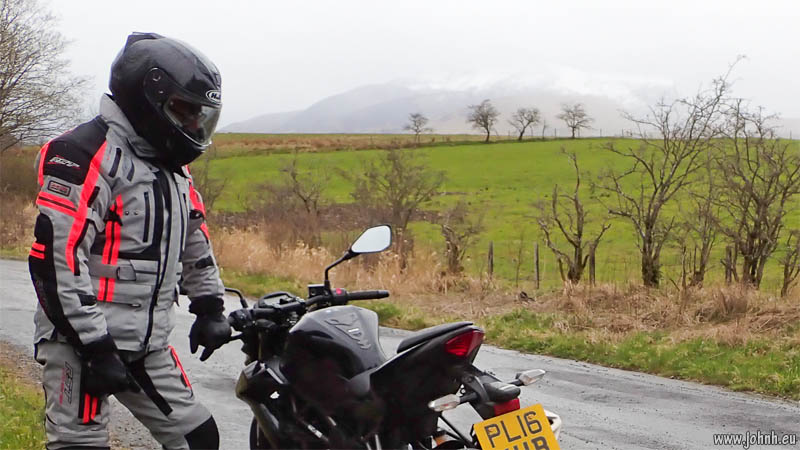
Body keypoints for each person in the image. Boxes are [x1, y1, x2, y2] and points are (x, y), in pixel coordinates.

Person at [28, 32, 231, 450]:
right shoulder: (81, 154)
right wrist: (94, 346)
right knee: (80, 444)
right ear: (146, 98)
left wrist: (210, 305)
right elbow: (56, 260)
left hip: (146, 343)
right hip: (79, 343)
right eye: (184, 110)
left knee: (197, 437)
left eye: (200, 114)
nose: (194, 124)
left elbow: (193, 236)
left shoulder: (170, 162)